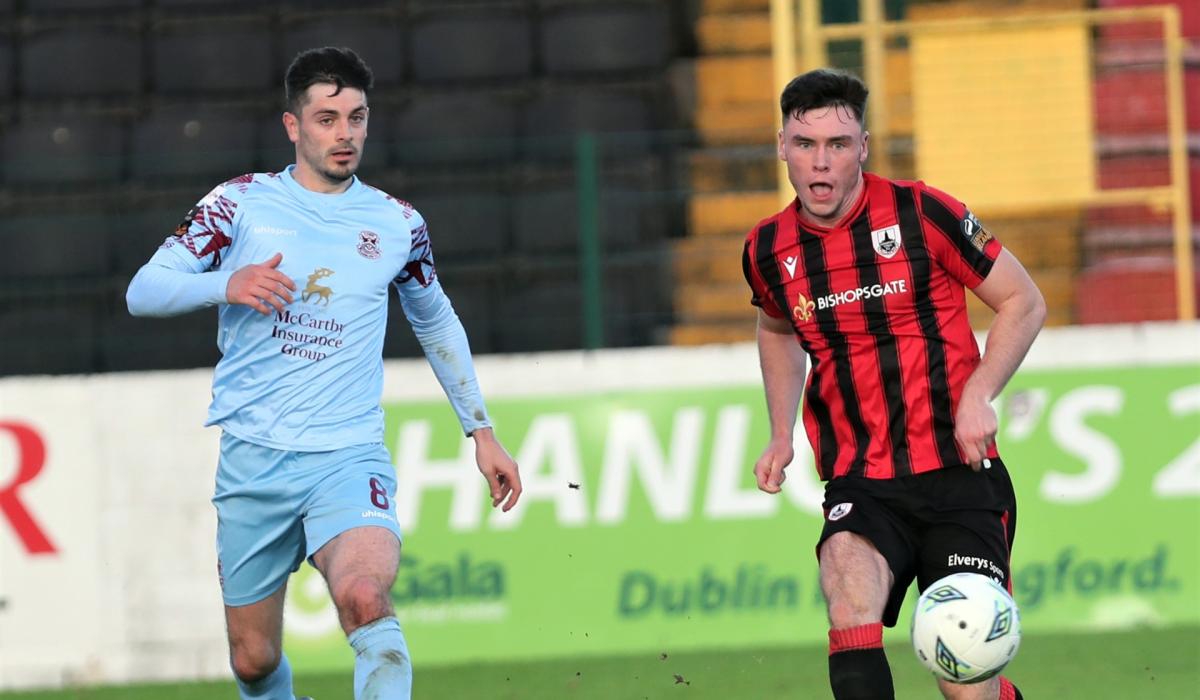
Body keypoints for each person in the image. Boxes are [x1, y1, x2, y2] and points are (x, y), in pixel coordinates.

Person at [126, 47, 522, 700]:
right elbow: (144, 290)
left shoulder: (398, 224)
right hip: (254, 460)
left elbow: (436, 321)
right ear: (293, 126)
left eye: (356, 118)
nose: (345, 134)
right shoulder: (239, 204)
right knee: (254, 661)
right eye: (327, 119)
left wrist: (481, 430)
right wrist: (228, 283)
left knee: (365, 596)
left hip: (347, 455)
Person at [741, 69, 1044, 700]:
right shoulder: (768, 249)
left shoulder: (923, 213)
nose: (820, 162)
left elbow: (1023, 301)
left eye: (838, 144)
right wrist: (779, 432)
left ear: (864, 147)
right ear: (781, 147)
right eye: (805, 144)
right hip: (861, 481)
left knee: (965, 685)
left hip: (959, 476)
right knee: (846, 590)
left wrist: (978, 393)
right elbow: (776, 328)